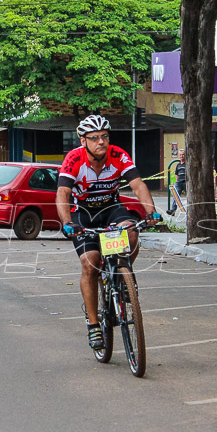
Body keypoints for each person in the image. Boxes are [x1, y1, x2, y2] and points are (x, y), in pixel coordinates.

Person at [56, 115, 161, 349]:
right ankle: (93, 324)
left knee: (131, 233)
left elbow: (138, 185)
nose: (101, 142)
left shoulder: (118, 155)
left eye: (105, 136)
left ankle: (122, 278)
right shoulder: (74, 159)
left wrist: (151, 212)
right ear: (83, 141)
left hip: (111, 209)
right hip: (82, 213)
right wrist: (67, 223)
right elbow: (62, 194)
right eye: (94, 138)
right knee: (90, 262)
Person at [167, 149, 187, 215]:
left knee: (189, 196)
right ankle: (173, 210)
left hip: (185, 182)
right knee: (176, 196)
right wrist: (176, 182)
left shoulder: (187, 164)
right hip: (179, 182)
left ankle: (190, 209)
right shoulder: (178, 165)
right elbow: (176, 174)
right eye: (180, 155)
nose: (182, 156)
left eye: (183, 154)